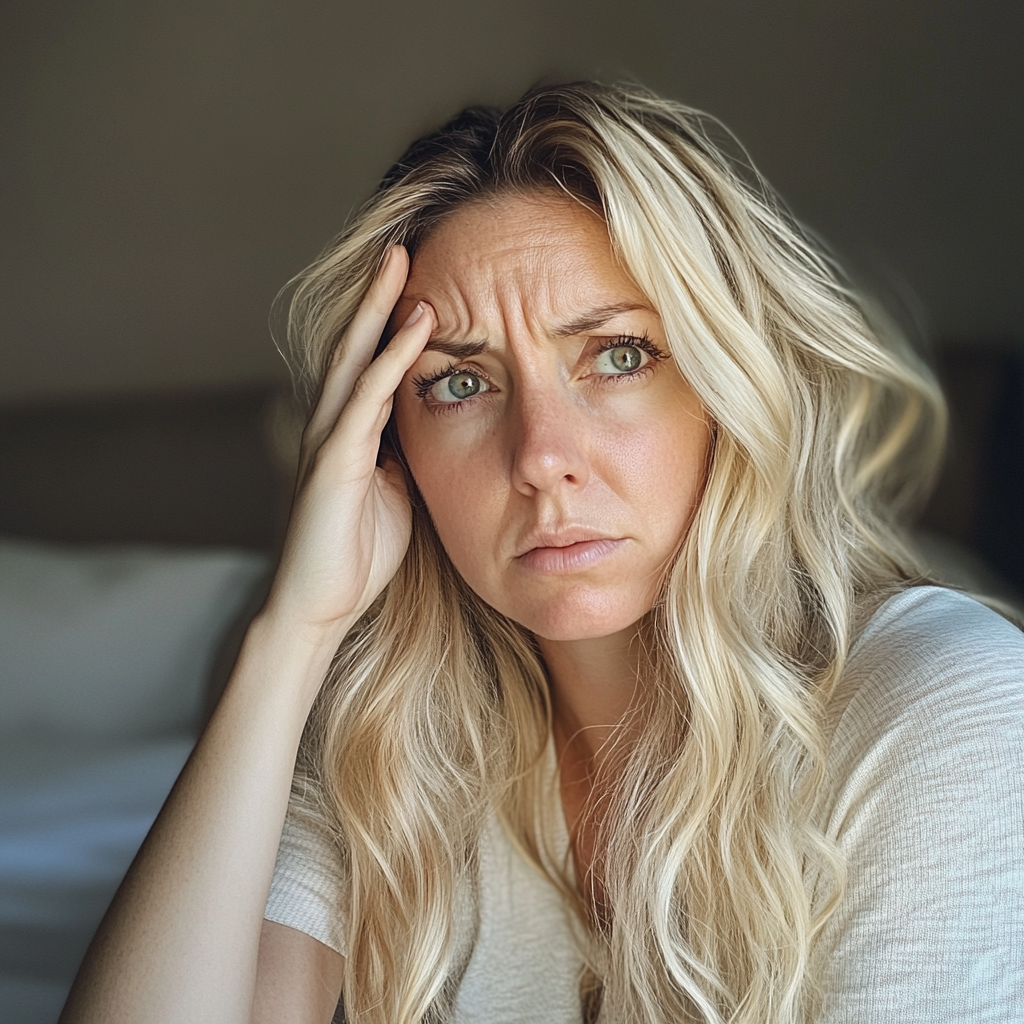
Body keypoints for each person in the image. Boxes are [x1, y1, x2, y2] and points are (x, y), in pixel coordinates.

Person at [60, 82, 1023, 1024]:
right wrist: (293, 639)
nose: (540, 459)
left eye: (616, 355)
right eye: (461, 383)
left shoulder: (950, 706)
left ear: (729, 385)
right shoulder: (384, 745)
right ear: (390, 443)